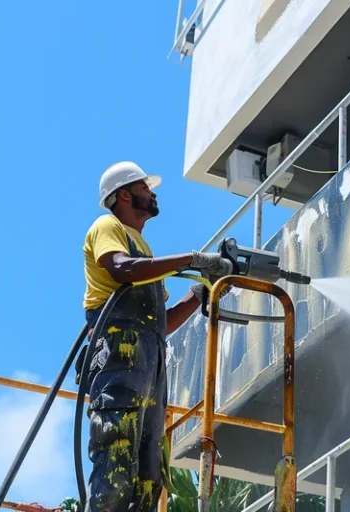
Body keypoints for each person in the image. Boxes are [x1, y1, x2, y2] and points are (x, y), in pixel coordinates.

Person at [81, 161, 232, 512]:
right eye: (145, 188)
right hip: (120, 359)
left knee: (148, 478)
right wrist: (191, 259)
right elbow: (120, 269)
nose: (152, 193)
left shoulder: (144, 250)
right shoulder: (108, 226)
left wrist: (200, 292)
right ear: (123, 195)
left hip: (149, 364)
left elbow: (161, 323)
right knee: (116, 464)